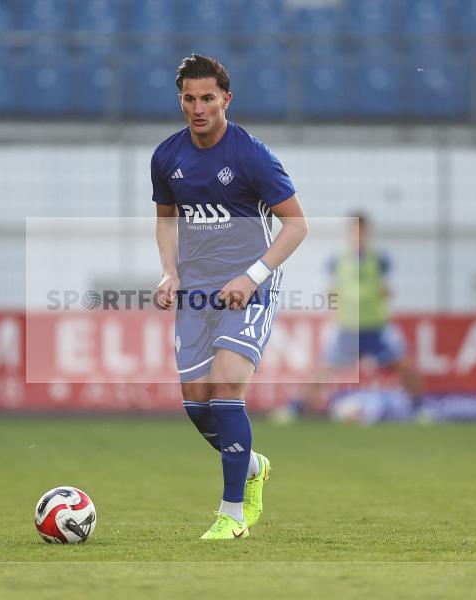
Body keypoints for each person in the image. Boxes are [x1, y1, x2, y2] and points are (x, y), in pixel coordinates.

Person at [151, 55, 308, 540]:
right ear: (181, 100)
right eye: (189, 99)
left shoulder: (251, 155)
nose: (198, 108)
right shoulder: (166, 157)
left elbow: (297, 225)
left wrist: (252, 276)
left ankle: (232, 516)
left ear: (226, 100)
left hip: (250, 287)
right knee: (197, 405)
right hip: (197, 290)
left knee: (225, 390)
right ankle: (253, 464)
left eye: (208, 99)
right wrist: (169, 273)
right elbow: (166, 218)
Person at [277, 213, 423, 421]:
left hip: (375, 325)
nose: (358, 234)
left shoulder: (379, 258)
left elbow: (389, 289)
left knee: (404, 365)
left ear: (367, 232)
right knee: (325, 369)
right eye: (354, 230)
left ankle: (419, 407)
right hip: (348, 327)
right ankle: (297, 408)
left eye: (361, 230)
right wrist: (339, 310)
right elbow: (330, 290)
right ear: (349, 233)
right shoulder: (338, 259)